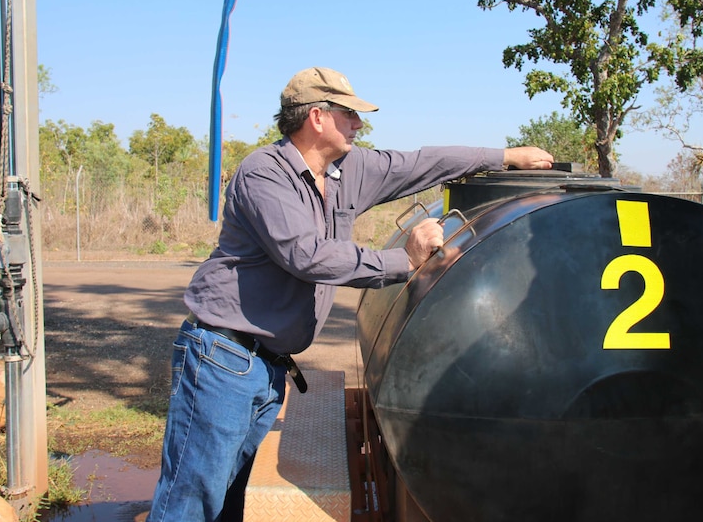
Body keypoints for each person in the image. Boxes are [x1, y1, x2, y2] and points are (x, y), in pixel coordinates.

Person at [146, 66, 553, 522]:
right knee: (193, 497)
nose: (359, 124)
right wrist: (405, 262)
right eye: (349, 114)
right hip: (224, 358)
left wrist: (504, 156)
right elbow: (306, 255)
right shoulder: (265, 173)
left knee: (229, 497)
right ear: (317, 117)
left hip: (267, 366)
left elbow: (420, 163)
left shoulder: (347, 171)